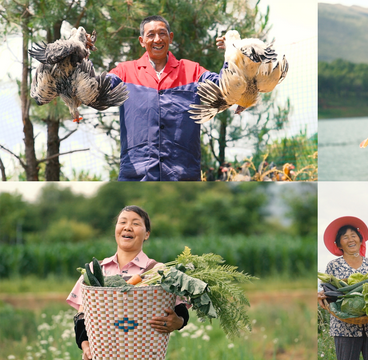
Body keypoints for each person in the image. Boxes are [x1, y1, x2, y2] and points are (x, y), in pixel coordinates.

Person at [109, 15, 226, 181]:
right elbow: (98, 87)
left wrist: (233, 52)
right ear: (142, 41)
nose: (157, 39)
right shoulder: (124, 72)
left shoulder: (193, 71)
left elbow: (224, 86)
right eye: (151, 35)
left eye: (162, 33)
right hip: (136, 176)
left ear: (170, 37)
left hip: (183, 175)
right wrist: (82, 56)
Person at [67, 205, 188, 360]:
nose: (128, 227)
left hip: (144, 354)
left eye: (136, 223)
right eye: (122, 222)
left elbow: (180, 309)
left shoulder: (158, 271)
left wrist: (178, 322)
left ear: (147, 234)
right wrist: (86, 346)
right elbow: (82, 315)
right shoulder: (94, 270)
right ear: (116, 230)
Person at [318, 216, 368, 360]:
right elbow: (328, 291)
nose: (351, 239)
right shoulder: (333, 265)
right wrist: (322, 296)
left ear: (360, 240)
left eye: (354, 236)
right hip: (344, 328)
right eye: (345, 237)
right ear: (339, 244)